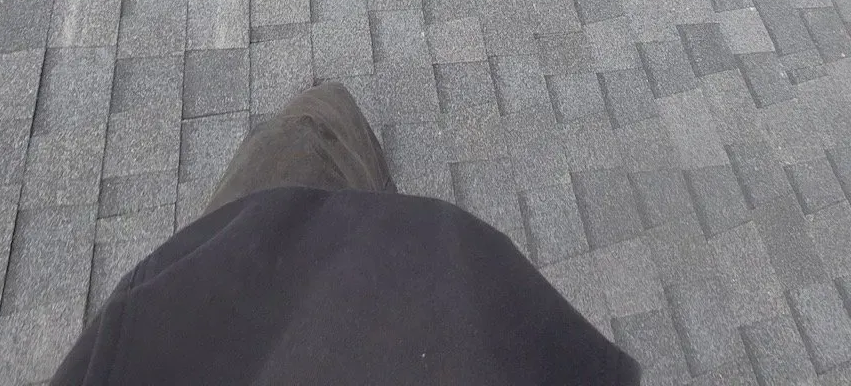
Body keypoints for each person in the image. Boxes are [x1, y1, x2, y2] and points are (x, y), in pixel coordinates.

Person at [51, 83, 641, 385]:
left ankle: (337, 135)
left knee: (307, 133)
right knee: (316, 127)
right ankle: (342, 138)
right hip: (437, 294)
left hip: (224, 301)